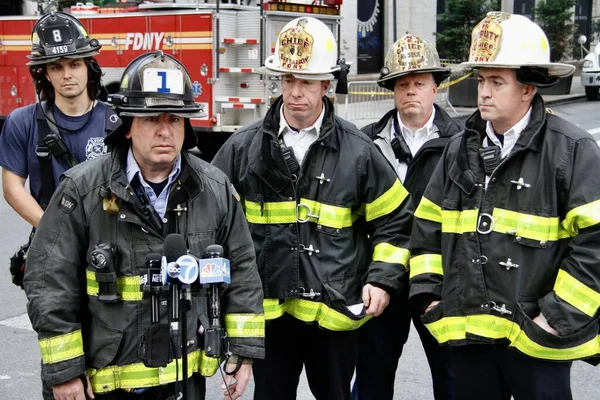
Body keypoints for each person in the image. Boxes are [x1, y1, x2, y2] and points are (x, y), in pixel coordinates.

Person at [24, 51, 265, 400]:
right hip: (105, 383)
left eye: (175, 119)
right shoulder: (81, 191)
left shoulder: (215, 190)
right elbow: (49, 284)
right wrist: (64, 372)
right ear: (128, 126)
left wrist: (242, 354)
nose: (165, 131)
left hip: (184, 378)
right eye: (152, 119)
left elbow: (242, 271)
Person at [212, 16, 413, 400]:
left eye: (306, 82)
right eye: (287, 80)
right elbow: (213, 221)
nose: (295, 92)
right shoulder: (242, 148)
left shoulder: (359, 151)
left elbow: (395, 222)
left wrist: (382, 279)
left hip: (334, 315)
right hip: (269, 313)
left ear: (326, 85)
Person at [409, 12, 600, 400]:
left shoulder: (572, 150)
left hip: (536, 342)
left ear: (528, 88)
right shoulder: (458, 150)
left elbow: (595, 246)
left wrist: (554, 319)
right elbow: (427, 227)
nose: (484, 92)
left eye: (497, 82)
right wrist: (431, 299)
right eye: (481, 80)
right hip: (468, 339)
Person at [353, 34, 462, 400]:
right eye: (402, 84)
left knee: (452, 378)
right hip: (383, 279)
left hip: (441, 281)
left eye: (419, 83)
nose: (410, 91)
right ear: (391, 89)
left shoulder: (464, 142)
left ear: (435, 87)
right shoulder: (366, 143)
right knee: (371, 377)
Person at [0, 11, 119, 288]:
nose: (67, 75)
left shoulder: (119, 119)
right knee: (57, 330)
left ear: (88, 66)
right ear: (44, 73)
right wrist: (55, 231)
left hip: (113, 247)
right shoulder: (22, 122)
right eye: (56, 67)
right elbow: (12, 188)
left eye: (74, 64)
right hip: (52, 249)